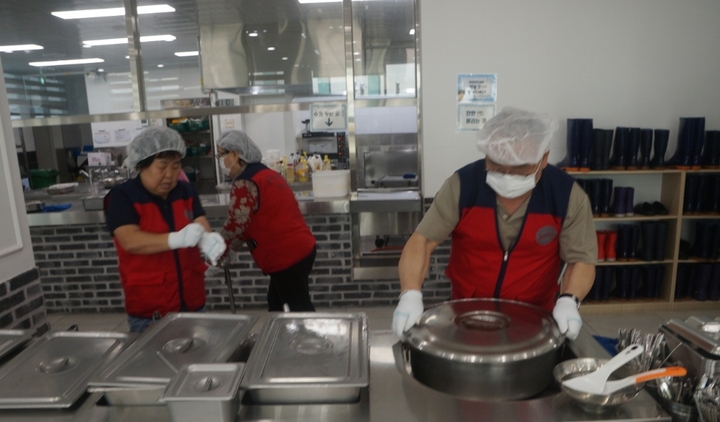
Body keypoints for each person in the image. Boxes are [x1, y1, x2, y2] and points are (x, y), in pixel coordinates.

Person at [392, 107, 597, 340]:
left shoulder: (565, 195)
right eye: (497, 165)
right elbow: (422, 240)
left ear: (543, 158)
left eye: (520, 168)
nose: (507, 175)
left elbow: (581, 258)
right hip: (466, 312)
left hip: (535, 317)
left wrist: (569, 300)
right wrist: (410, 294)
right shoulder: (463, 186)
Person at [105, 127, 226, 333]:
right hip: (151, 310)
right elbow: (130, 241)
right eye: (162, 166)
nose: (170, 174)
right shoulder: (122, 196)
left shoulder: (185, 191)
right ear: (142, 164)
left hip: (193, 302)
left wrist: (207, 239)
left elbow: (200, 222)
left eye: (176, 166)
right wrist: (176, 239)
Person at [215, 130, 317, 312]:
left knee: (298, 309)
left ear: (235, 154)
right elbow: (247, 222)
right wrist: (232, 247)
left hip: (286, 256)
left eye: (221, 155)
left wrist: (215, 250)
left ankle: (309, 331)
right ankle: (280, 329)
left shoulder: (245, 182)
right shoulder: (267, 174)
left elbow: (235, 223)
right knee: (277, 302)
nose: (220, 160)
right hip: (301, 248)